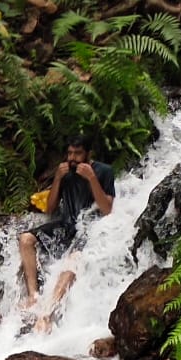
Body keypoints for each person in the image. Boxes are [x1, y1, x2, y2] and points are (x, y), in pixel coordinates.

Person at [17, 134, 116, 333]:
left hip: (90, 228)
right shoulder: (65, 172)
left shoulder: (104, 171)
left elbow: (107, 209)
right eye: (70, 153)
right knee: (25, 239)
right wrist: (58, 178)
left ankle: (47, 312)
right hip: (66, 225)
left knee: (73, 260)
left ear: (88, 154)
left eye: (78, 153)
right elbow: (50, 208)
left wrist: (91, 178)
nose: (73, 158)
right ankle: (33, 296)